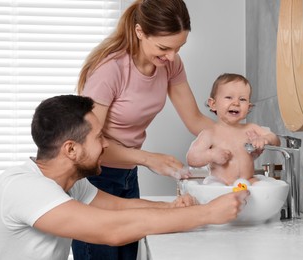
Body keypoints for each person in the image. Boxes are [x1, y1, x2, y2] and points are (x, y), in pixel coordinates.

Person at [0, 95, 249, 260]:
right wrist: (208, 213)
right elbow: (112, 230)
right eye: (99, 137)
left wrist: (171, 207)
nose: (106, 145)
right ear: (71, 149)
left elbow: (121, 207)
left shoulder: (71, 184)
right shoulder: (24, 187)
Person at [75, 0, 215, 258]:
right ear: (140, 32)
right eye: (164, 48)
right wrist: (149, 159)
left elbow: (195, 120)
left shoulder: (170, 64)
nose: (172, 57)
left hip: (128, 176)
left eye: (179, 48)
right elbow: (87, 146)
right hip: (95, 178)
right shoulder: (111, 70)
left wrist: (239, 137)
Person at [186, 73, 281, 186]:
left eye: (242, 99)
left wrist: (264, 139)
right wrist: (211, 155)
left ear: (249, 107)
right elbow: (191, 158)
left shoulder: (251, 128)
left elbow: (275, 140)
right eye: (229, 97)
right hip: (221, 184)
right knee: (214, 188)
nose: (236, 103)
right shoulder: (210, 133)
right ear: (213, 104)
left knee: (263, 188)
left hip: (248, 181)